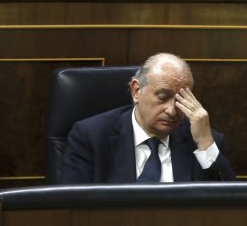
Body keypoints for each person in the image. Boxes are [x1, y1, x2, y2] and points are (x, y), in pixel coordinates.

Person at [59, 52, 235, 183]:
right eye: (163, 97)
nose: (172, 111)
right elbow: (72, 208)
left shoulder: (203, 142)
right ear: (136, 91)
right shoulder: (91, 137)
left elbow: (229, 205)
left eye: (181, 100)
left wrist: (205, 143)